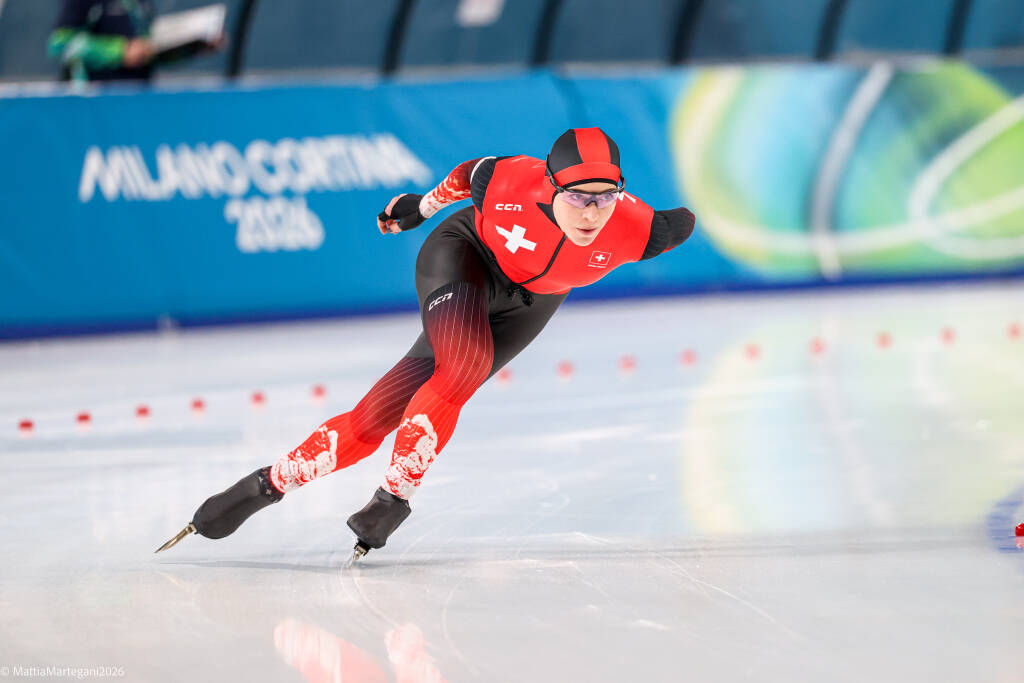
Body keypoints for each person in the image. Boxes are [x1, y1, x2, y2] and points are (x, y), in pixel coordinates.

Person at [156, 127, 696, 562]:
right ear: (551, 186)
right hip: (464, 256)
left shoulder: (641, 229)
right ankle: (393, 499)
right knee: (464, 367)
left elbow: (688, 220)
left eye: (605, 198)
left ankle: (259, 488)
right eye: (577, 197)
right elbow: (467, 176)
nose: (591, 213)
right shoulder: (511, 181)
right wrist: (421, 207)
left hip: (532, 305)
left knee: (372, 419)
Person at [48, 0, 222, 84]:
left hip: (137, 103)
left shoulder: (141, 4)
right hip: (94, 106)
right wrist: (120, 51)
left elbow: (150, 52)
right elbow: (60, 45)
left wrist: (194, 47)